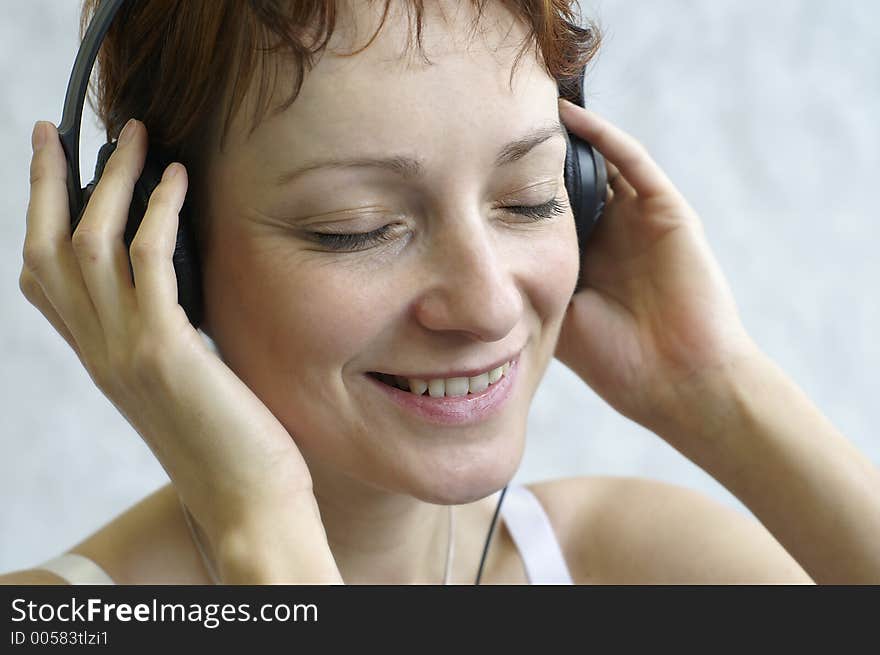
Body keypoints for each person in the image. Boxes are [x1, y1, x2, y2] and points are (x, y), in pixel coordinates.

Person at [4, 0, 879, 586]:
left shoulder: (635, 559)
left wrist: (715, 388)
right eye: (358, 224)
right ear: (157, 252)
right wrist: (263, 527)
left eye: (531, 196)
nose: (490, 304)